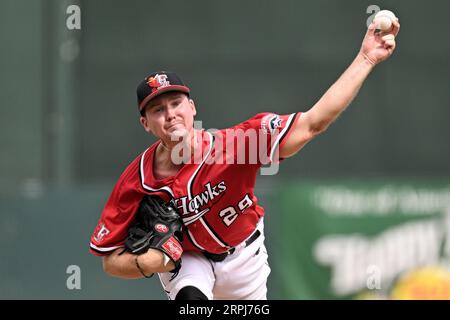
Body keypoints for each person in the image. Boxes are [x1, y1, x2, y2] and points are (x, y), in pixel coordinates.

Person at [89, 19, 400, 299]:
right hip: (189, 262)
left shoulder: (239, 146)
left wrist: (367, 57)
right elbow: (109, 261)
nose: (171, 114)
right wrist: (149, 262)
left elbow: (312, 123)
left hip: (244, 260)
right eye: (158, 110)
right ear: (146, 123)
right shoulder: (137, 181)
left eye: (176, 103)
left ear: (192, 107)